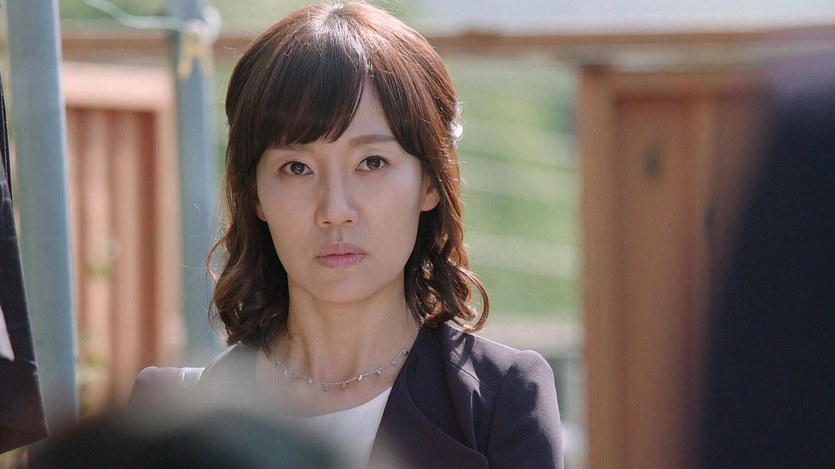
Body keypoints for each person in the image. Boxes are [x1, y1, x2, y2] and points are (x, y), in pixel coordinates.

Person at [132, 2, 563, 468]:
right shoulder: (167, 417)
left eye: (371, 163)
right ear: (254, 194)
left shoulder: (499, 401)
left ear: (430, 183)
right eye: (296, 168)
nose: (335, 210)